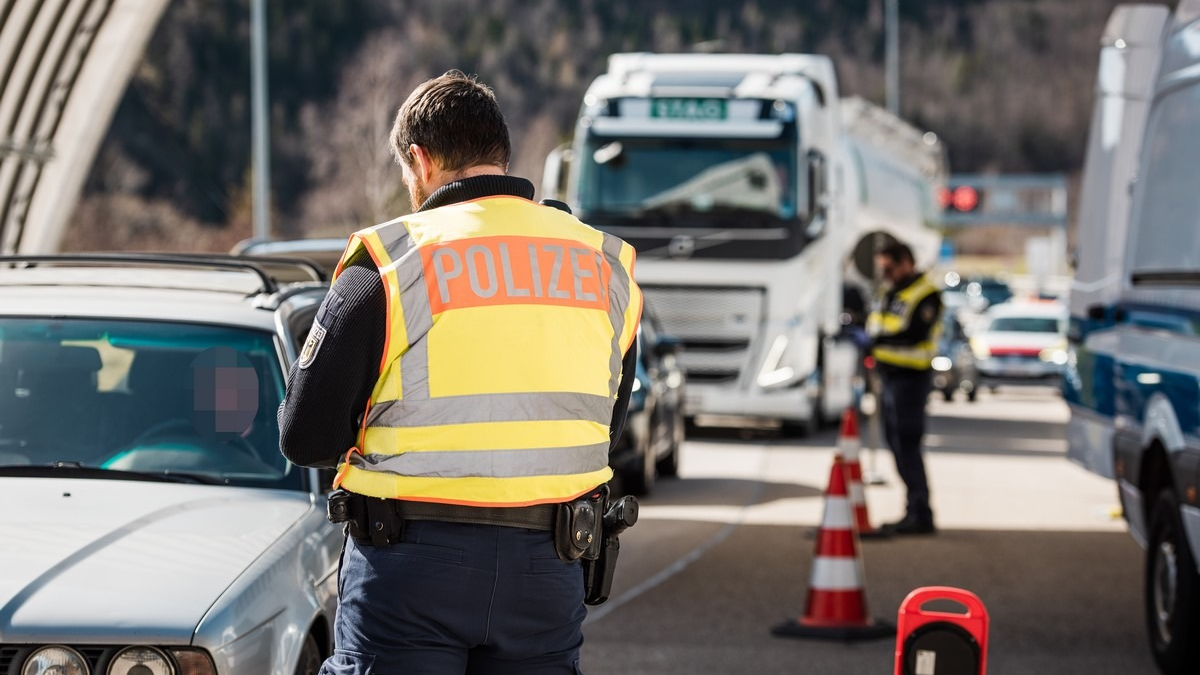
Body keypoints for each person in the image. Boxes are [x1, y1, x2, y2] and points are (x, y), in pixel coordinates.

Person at [279, 71, 642, 675]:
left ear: (419, 161)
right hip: (548, 571)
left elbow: (306, 435)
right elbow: (605, 429)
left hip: (409, 571)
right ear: (499, 156)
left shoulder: (393, 263)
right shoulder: (604, 265)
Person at [866, 241, 942, 535]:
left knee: (908, 445)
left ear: (905, 263)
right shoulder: (891, 293)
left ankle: (920, 513)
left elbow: (913, 335)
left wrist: (876, 342)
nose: (885, 273)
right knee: (895, 444)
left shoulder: (926, 294)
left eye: (889, 267)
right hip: (890, 378)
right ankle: (914, 510)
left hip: (911, 379)